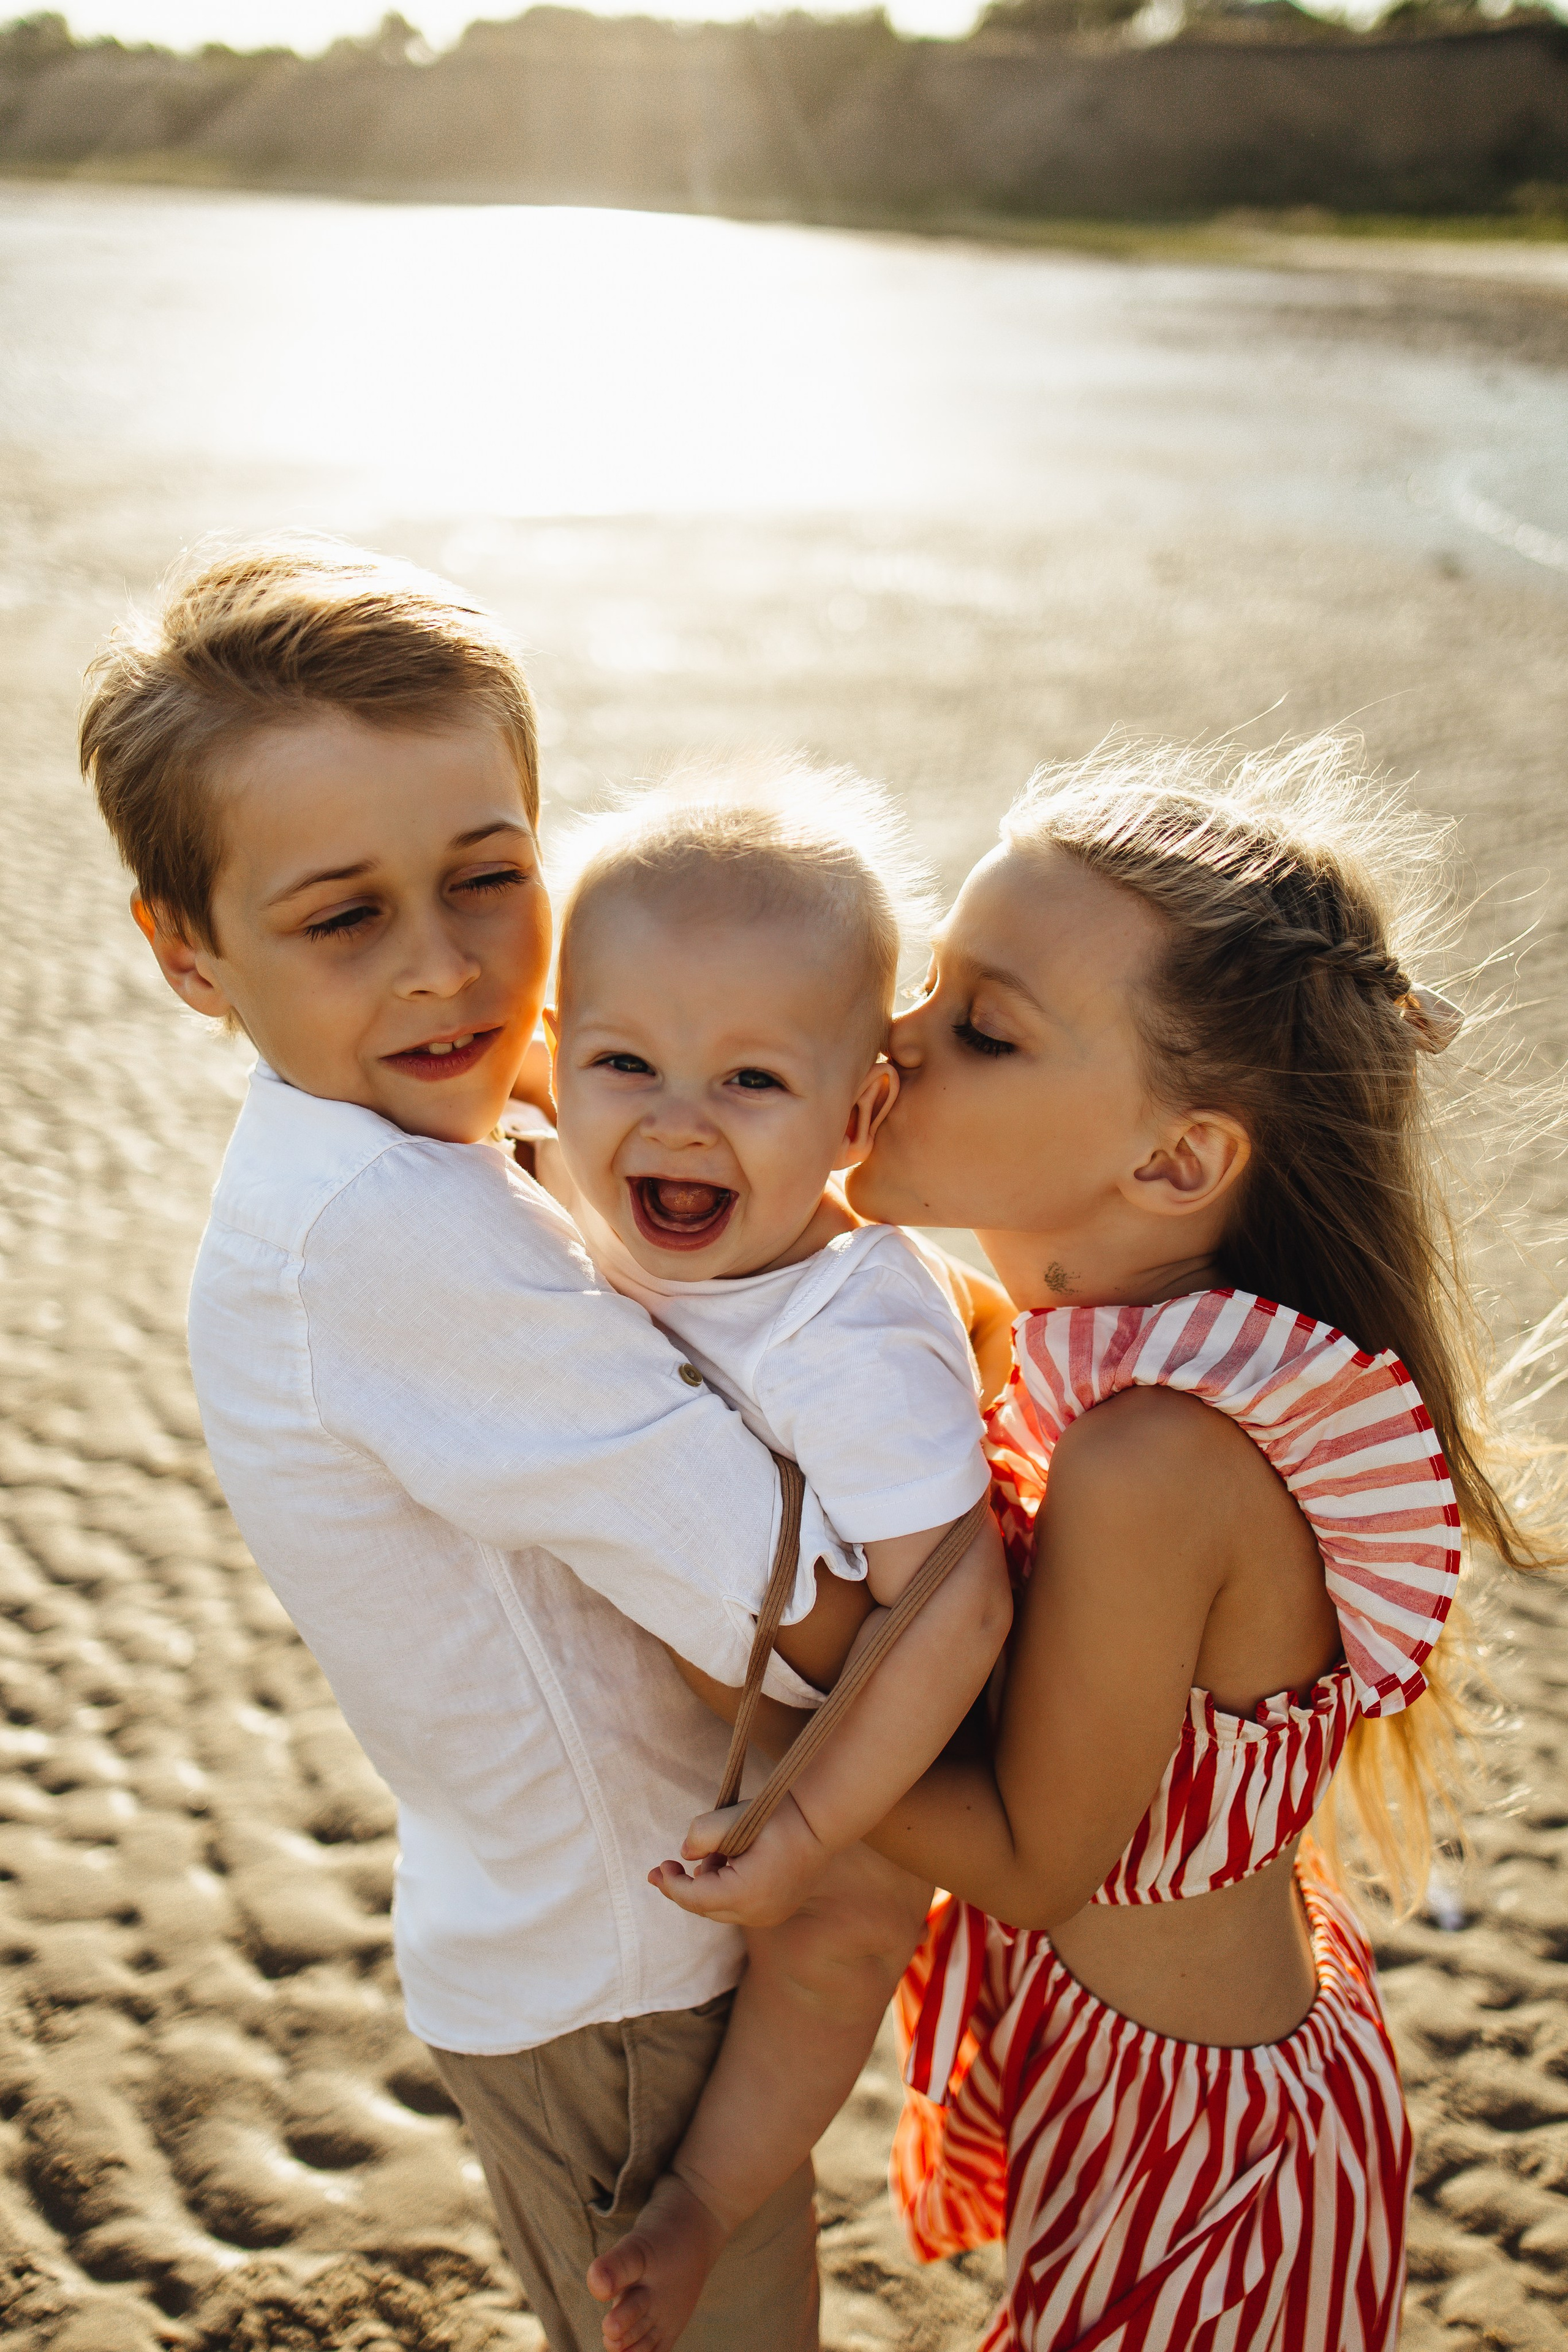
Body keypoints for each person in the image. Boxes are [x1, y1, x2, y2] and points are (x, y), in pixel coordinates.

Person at [77, 536, 1008, 2352]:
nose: (444, 971)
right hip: (616, 1978)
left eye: (490, 880)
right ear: (187, 955)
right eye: (344, 919)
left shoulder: (401, 1152)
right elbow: (805, 1617)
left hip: (587, 1927)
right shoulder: (386, 1241)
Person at [657, 739, 1561, 2350]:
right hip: (1147, 2063)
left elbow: (1031, 1855)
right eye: (930, 987)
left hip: (1199, 2152)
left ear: (1173, 1162)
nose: (897, 1038)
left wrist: (772, 1640)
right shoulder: (1093, 1359)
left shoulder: (1157, 1456)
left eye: (982, 1031)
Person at [526, 765, 1014, 2350]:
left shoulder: (852, 1328)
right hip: (745, 1687)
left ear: (858, 1117)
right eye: (626, 1064)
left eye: (751, 1082)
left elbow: (958, 1596)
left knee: (850, 1925)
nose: (674, 1118)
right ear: (557, 1059)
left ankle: (709, 2198)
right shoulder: (604, 1179)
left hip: (897, 1712)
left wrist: (810, 1821)